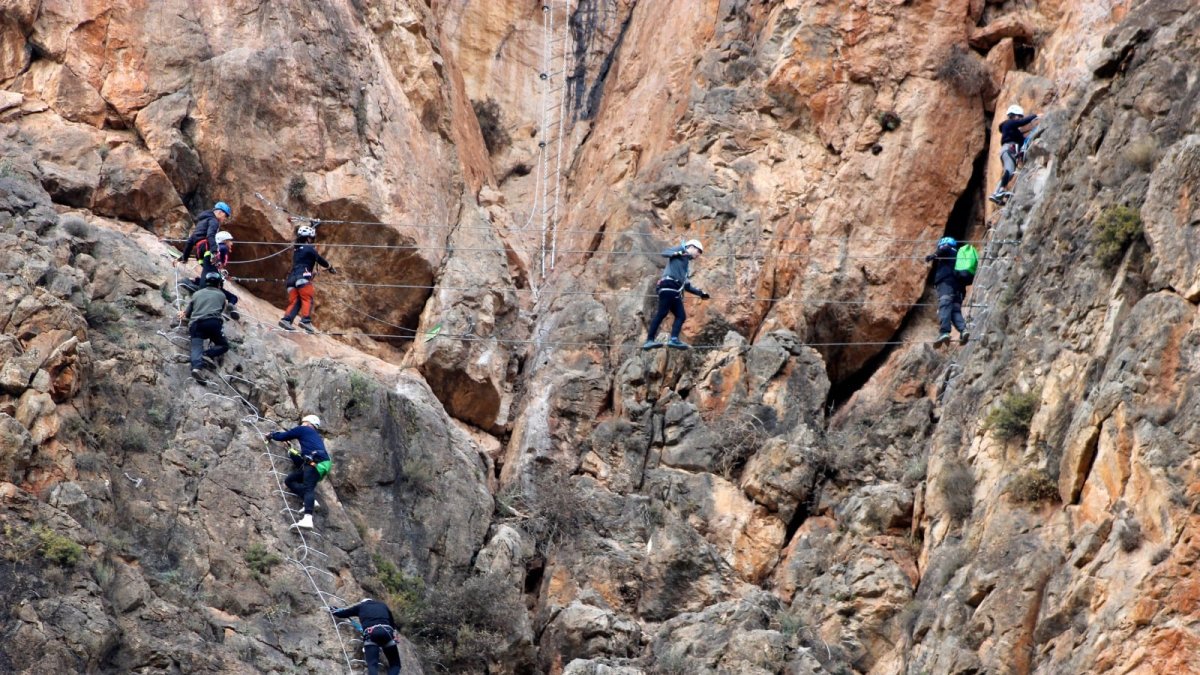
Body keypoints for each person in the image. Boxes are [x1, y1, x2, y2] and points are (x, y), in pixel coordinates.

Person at [266, 415, 331, 530]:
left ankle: (308, 519)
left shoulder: (304, 429)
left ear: (308, 423)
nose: (302, 424)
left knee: (308, 488)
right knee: (290, 480)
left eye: (303, 422)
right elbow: (301, 457)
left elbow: (285, 435)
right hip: (318, 463)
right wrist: (290, 451)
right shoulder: (314, 437)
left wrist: (272, 435)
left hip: (315, 462)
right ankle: (311, 501)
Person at [643, 239, 710, 350]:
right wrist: (678, 252)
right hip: (669, 286)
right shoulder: (681, 250)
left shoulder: (686, 263)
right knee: (662, 313)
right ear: (691, 247)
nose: (698, 255)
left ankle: (673, 339)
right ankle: (649, 340)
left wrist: (701, 293)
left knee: (680, 315)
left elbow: (686, 285)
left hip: (674, 289)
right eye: (698, 251)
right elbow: (665, 252)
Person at [278, 223, 336, 333]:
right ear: (308, 238)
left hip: (291, 280)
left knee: (296, 301)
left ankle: (286, 320)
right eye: (312, 238)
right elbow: (320, 260)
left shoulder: (297, 250)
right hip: (302, 278)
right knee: (307, 298)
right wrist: (330, 267)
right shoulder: (309, 249)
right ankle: (305, 321)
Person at [178, 272, 231, 383]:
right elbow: (220, 311)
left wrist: (184, 314)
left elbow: (188, 313)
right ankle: (207, 354)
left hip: (196, 325)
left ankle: (196, 368)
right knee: (223, 345)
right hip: (213, 323)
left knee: (196, 347)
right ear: (218, 284)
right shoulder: (222, 295)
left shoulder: (197, 294)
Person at [330, 598, 403, 675]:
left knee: (372, 664)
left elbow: (344, 613)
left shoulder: (361, 606)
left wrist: (334, 609)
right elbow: (392, 623)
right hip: (387, 633)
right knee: (395, 664)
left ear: (363, 602)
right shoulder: (383, 605)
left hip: (371, 634)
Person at [181, 231, 240, 320]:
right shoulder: (222, 248)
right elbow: (218, 262)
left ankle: (193, 283)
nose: (232, 243)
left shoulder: (209, 250)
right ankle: (230, 308)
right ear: (224, 241)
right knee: (230, 296)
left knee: (204, 285)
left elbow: (205, 262)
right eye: (230, 241)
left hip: (207, 277)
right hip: (212, 281)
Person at [989, 105, 1039, 204]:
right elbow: (1023, 122)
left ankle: (997, 194)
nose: (1020, 118)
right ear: (1013, 115)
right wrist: (1035, 116)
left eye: (1020, 116)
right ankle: (1000, 191)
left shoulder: (1014, 131)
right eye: (1019, 116)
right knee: (1009, 170)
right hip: (1009, 149)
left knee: (1010, 173)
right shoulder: (1008, 124)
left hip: (1009, 151)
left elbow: (1024, 141)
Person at [925, 237, 969, 346]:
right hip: (959, 289)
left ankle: (944, 332)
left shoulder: (947, 249)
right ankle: (963, 330)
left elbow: (944, 249)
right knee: (955, 311)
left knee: (945, 305)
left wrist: (934, 255)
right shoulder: (959, 255)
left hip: (946, 285)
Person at [178, 201, 232, 267]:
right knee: (212, 269)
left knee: (205, 269)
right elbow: (210, 235)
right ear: (220, 212)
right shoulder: (214, 221)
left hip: (198, 252)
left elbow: (191, 239)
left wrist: (185, 257)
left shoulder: (202, 221)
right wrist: (214, 251)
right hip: (206, 248)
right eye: (225, 216)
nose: (225, 219)